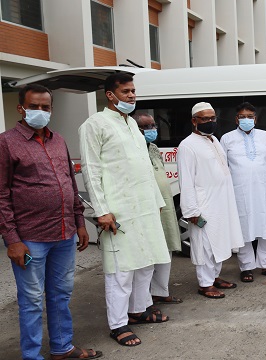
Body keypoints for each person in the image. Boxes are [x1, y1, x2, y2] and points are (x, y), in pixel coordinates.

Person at [0, 85, 102, 360]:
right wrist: (12, 240)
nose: (40, 112)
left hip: (64, 233)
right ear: (21, 108)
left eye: (45, 108)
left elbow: (69, 182)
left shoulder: (58, 140)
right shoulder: (6, 142)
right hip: (30, 238)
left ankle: (62, 347)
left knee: (60, 294)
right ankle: (32, 356)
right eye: (34, 107)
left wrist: (80, 222)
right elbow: (1, 194)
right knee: (32, 300)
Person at [79, 73, 170, 347]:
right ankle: (118, 325)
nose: (132, 95)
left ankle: (138, 310)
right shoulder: (94, 124)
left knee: (146, 262)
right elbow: (91, 170)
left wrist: (156, 203)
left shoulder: (131, 122)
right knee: (120, 270)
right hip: (117, 211)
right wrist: (101, 210)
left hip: (144, 206)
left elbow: (141, 166)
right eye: (126, 91)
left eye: (133, 91)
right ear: (110, 94)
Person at [177, 102, 245, 299]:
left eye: (212, 118)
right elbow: (186, 181)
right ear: (194, 121)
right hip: (203, 205)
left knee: (219, 241)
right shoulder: (187, 146)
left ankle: (214, 277)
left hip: (221, 202)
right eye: (204, 118)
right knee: (205, 246)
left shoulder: (213, 140)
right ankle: (205, 284)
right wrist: (191, 212)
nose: (209, 122)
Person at [220, 102, 266, 282]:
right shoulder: (227, 139)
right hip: (238, 192)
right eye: (242, 117)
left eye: (250, 117)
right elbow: (223, 168)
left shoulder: (265, 137)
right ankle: (246, 267)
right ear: (236, 119)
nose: (246, 120)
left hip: (265, 190)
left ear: (256, 119)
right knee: (243, 230)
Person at [133, 113, 183, 304]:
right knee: (149, 252)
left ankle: (161, 292)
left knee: (166, 249)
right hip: (147, 208)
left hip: (165, 206)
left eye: (153, 125)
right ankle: (144, 298)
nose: (152, 130)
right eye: (146, 127)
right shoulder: (134, 150)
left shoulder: (153, 148)